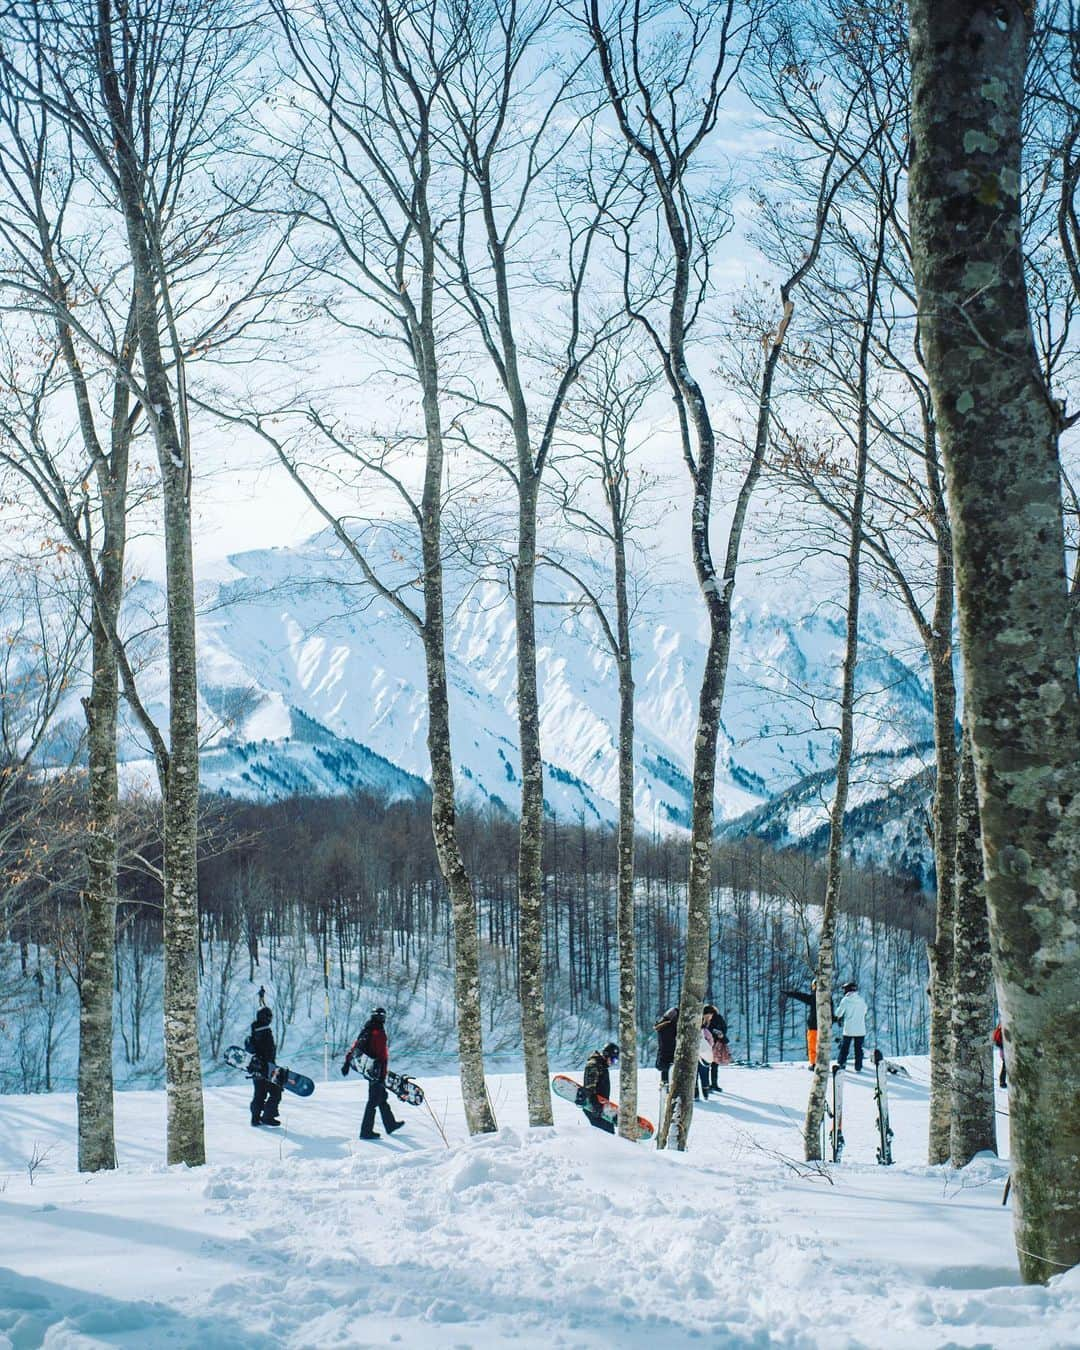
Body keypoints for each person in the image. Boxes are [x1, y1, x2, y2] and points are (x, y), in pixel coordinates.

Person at [342, 1006, 404, 1140]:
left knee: (382, 1097)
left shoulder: (367, 1029)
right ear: (382, 1018)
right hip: (376, 1072)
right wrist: (382, 1075)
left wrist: (347, 1062)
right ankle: (366, 1131)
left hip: (368, 1069)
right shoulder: (379, 1033)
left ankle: (390, 1124)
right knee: (373, 1101)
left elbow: (355, 1046)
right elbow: (382, 1056)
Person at [246, 1004, 283, 1127]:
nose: (271, 1019)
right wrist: (273, 1069)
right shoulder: (265, 1032)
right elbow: (269, 1053)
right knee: (276, 1092)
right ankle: (268, 1116)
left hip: (255, 1068)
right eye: (270, 1016)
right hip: (268, 1069)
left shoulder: (254, 1031)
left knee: (259, 1094)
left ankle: (255, 1119)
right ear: (266, 1017)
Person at [781, 981, 823, 1067]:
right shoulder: (827, 998)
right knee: (822, 1046)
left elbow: (800, 996)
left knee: (812, 1046)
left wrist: (789, 993)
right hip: (824, 1027)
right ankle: (822, 1063)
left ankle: (814, 1064)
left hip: (814, 1026)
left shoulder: (814, 997)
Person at [582, 1042, 619, 1133]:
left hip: (600, 1105)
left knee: (609, 1132)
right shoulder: (593, 1065)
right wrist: (595, 1105)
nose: (613, 1063)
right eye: (613, 1060)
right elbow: (589, 1087)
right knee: (606, 1134)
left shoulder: (602, 1066)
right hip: (593, 1106)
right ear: (606, 1055)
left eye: (616, 1061)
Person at [834, 980, 868, 1072]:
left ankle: (842, 1063)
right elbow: (865, 1011)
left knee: (845, 1047)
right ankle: (858, 1066)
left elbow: (839, 1013)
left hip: (849, 1029)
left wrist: (837, 1016)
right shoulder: (861, 1000)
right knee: (858, 1049)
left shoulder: (845, 1000)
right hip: (861, 1029)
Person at [704, 1005, 728, 1093]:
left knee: (712, 1065)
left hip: (714, 1044)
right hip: (711, 1044)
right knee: (711, 1065)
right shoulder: (718, 1018)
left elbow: (723, 1029)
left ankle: (712, 1084)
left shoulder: (716, 1019)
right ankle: (711, 1084)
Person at [654, 1006, 678, 1087]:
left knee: (664, 1080)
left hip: (662, 1054)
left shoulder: (661, 1025)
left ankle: (664, 1095)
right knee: (672, 1080)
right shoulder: (672, 1026)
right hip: (671, 1055)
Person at [695, 1011, 714, 1100]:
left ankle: (695, 1094)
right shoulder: (705, 1031)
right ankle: (705, 1094)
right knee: (704, 1075)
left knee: (694, 1076)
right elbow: (711, 1041)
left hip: (694, 1056)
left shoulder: (691, 1030)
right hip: (704, 1056)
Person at [992, 1022, 1007, 1089]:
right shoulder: (1003, 1029)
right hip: (1005, 1050)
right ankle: (1002, 1082)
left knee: (1005, 1066)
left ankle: (1002, 1082)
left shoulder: (1000, 1026)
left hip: (1002, 1050)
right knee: (1005, 1067)